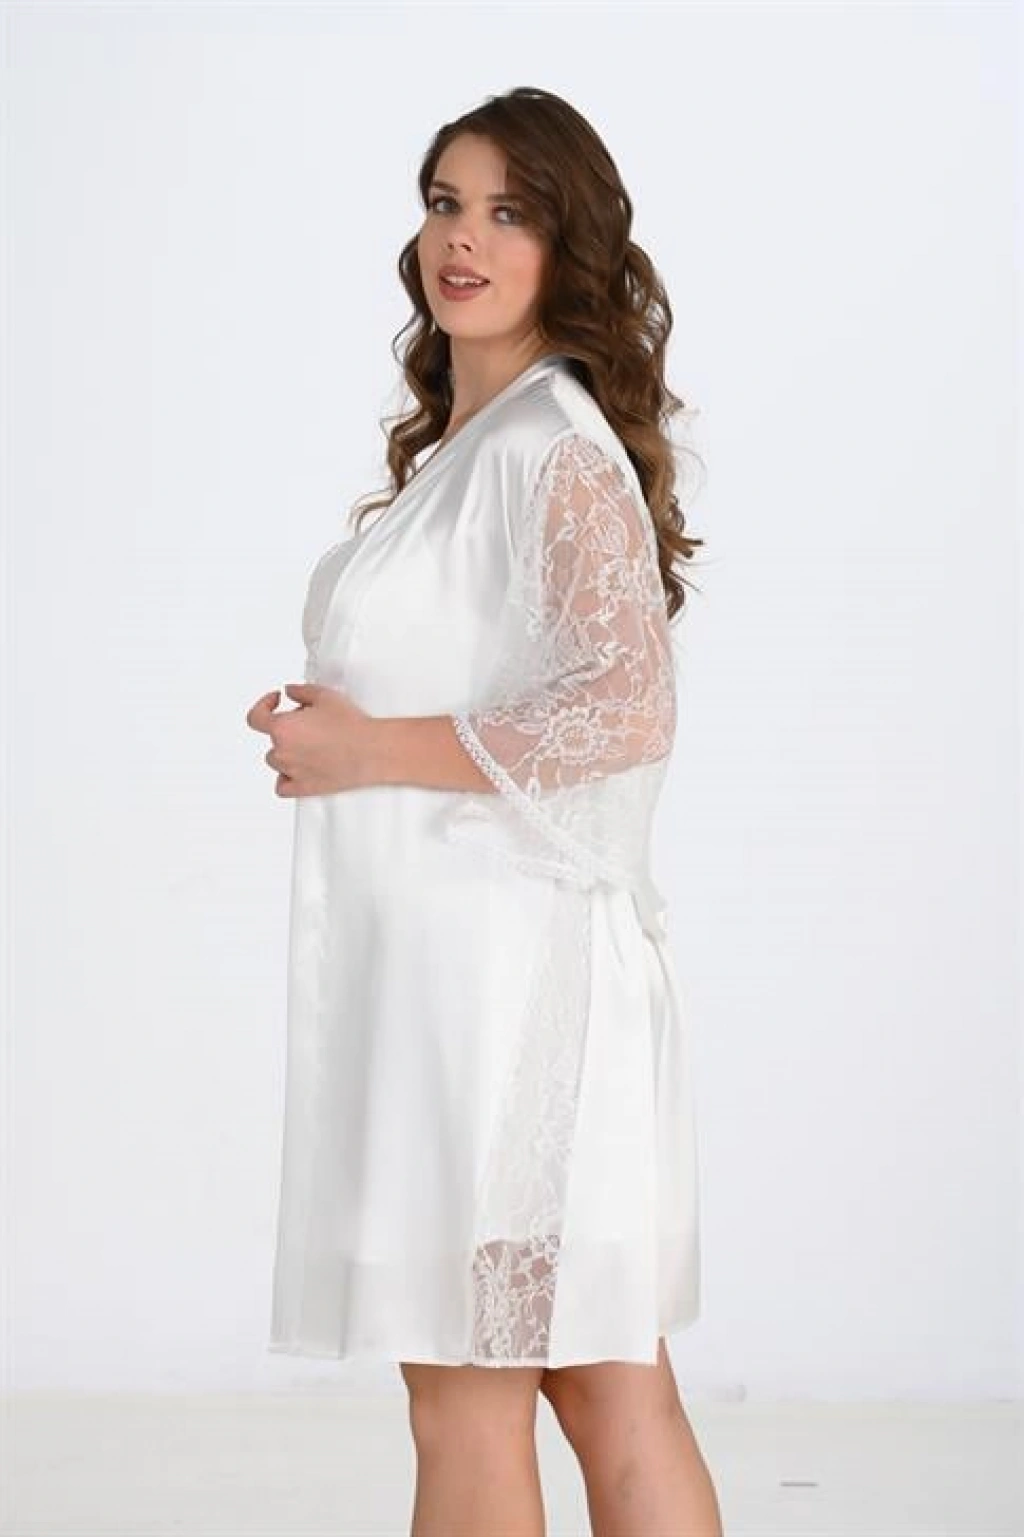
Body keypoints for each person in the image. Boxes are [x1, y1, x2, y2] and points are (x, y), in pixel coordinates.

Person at [246, 85, 723, 1537]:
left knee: (473, 1395)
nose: (464, 239)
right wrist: (340, 734)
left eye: (510, 213)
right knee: (602, 1384)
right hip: (475, 986)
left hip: (509, 1002)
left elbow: (627, 707)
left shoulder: (548, 445)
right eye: (447, 204)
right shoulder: (483, 445)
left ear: (568, 247)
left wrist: (370, 748)